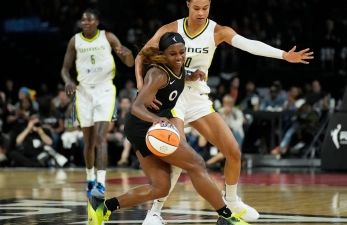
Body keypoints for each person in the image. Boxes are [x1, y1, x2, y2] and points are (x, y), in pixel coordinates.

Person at [135, 0, 314, 223]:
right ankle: (154, 213)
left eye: (205, 8)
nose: (201, 13)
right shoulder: (171, 29)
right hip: (174, 96)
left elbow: (249, 44)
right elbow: (141, 56)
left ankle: (230, 200)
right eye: (196, 8)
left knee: (233, 151)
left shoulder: (217, 31)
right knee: (179, 156)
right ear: (188, 5)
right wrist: (142, 89)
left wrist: (284, 55)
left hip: (198, 96)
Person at [87, 32, 249, 225]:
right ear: (163, 55)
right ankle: (226, 217)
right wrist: (157, 119)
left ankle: (102, 207)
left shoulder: (179, 67)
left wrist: (192, 75)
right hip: (143, 125)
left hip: (144, 127)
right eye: (172, 54)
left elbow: (179, 77)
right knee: (196, 163)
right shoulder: (158, 74)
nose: (179, 57)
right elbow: (136, 107)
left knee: (160, 187)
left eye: (182, 52)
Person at [60, 8, 134, 197]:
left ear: (97, 22)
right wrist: (68, 81)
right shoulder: (75, 41)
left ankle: (100, 183)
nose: (85, 23)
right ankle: (90, 177)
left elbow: (129, 63)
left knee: (101, 138)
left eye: (89, 20)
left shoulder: (108, 37)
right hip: (83, 92)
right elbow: (65, 70)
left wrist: (127, 54)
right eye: (83, 20)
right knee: (89, 141)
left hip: (105, 91)